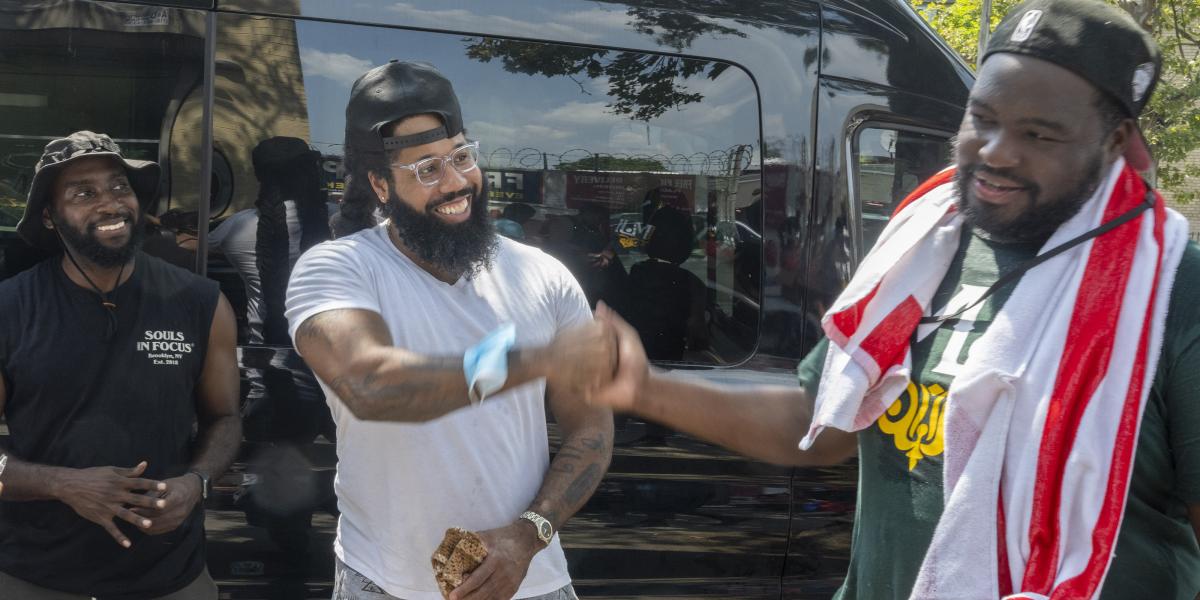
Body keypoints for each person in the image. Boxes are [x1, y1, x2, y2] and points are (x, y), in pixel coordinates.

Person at [591, 1, 1200, 598]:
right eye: (982, 118)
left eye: (1039, 134)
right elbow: (822, 425)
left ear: (1116, 139)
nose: (995, 151)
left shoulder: (1173, 289)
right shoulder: (920, 246)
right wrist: (645, 387)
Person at [285, 61, 616, 600]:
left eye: (462, 157)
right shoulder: (338, 270)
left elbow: (592, 431)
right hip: (384, 583)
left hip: (530, 582)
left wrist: (528, 536)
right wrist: (541, 360)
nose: (457, 183)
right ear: (380, 185)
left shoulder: (543, 275)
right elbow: (373, 385)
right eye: (426, 169)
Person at [0, 131, 242, 599]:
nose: (110, 203)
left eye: (119, 187)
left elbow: (226, 419)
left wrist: (197, 483)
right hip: (34, 575)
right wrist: (62, 484)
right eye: (83, 193)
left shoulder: (200, 302)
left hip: (171, 577)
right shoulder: (11, 308)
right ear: (49, 218)